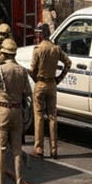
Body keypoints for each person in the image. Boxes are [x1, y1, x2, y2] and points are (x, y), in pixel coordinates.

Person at [0, 38, 32, 184]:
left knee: (1, 150)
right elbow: (28, 92)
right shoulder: (22, 71)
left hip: (3, 111)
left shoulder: (1, 69)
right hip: (17, 111)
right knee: (17, 150)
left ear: (4, 53)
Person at [29, 22, 71, 159]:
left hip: (40, 83)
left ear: (41, 35)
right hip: (52, 84)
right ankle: (54, 150)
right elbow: (68, 63)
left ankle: (39, 149)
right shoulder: (56, 49)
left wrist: (34, 78)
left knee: (39, 116)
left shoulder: (38, 50)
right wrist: (59, 78)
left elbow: (33, 70)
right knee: (53, 117)